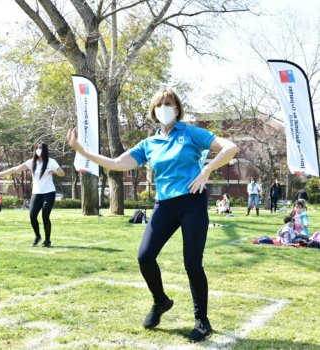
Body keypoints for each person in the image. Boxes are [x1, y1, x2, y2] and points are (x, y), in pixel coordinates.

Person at [67, 87, 238, 342]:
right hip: (165, 205)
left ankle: (202, 320)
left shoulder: (190, 132)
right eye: (159, 105)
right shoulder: (150, 143)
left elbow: (230, 147)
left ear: (177, 109)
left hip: (192, 202)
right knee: (145, 257)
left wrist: (207, 170)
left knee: (192, 263)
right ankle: (161, 302)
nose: (164, 108)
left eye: (169, 103)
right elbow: (117, 163)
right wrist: (84, 152)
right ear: (153, 111)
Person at [0, 143, 65, 247]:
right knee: (32, 216)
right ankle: (37, 236)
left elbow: (62, 173)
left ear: (45, 150)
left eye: (40, 148)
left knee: (45, 216)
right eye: (37, 148)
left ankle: (47, 240)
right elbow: (16, 169)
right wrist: (1, 174)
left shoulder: (51, 161)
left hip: (49, 193)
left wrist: (54, 171)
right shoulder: (32, 162)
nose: (38, 150)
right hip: (36, 193)